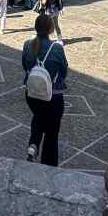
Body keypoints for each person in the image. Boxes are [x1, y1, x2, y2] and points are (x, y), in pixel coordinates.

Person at [22, 13, 68, 166]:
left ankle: (33, 144)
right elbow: (64, 72)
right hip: (53, 96)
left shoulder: (27, 45)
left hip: (32, 94)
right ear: (50, 29)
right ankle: (48, 166)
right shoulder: (56, 48)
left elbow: (25, 66)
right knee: (52, 133)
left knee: (39, 115)